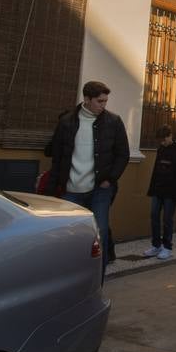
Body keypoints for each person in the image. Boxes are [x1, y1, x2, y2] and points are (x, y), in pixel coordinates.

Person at [45, 80, 130, 267]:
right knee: (70, 235)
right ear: (87, 99)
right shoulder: (67, 122)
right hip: (71, 190)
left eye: (105, 101)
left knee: (99, 233)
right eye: (100, 101)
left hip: (100, 189)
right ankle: (73, 275)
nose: (103, 105)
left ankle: (97, 281)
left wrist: (110, 179)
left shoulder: (113, 121)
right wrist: (54, 186)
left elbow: (123, 154)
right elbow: (57, 157)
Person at [145, 124, 176, 260]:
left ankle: (167, 247)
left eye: (164, 139)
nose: (162, 143)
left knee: (167, 219)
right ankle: (156, 245)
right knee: (154, 216)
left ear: (170, 136)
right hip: (158, 189)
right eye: (160, 141)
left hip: (171, 191)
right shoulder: (161, 149)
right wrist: (152, 189)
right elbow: (156, 170)